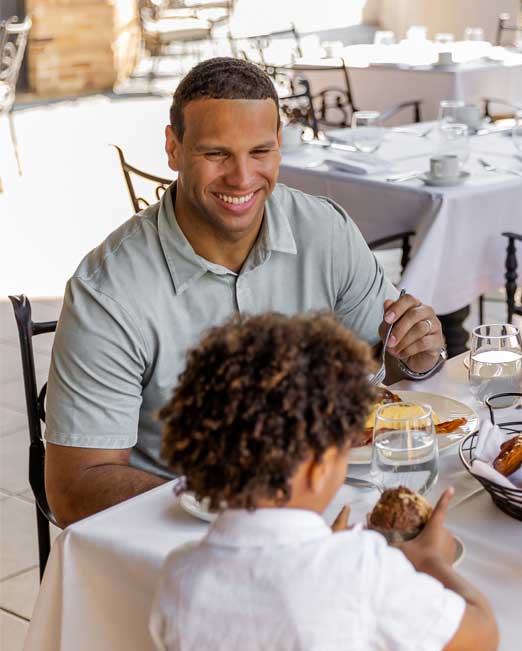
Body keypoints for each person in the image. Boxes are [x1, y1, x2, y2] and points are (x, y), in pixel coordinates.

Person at [43, 57, 447, 527]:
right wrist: (238, 508)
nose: (241, 177)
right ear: (173, 149)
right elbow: (74, 487)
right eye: (216, 154)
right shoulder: (108, 291)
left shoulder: (325, 230)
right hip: (176, 535)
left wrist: (414, 354)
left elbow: (383, 370)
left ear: (280, 145)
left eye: (259, 152)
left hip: (323, 509)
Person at [149, 313, 497, 651]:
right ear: (318, 468)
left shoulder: (180, 574)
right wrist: (431, 560)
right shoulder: (358, 568)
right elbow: (480, 639)